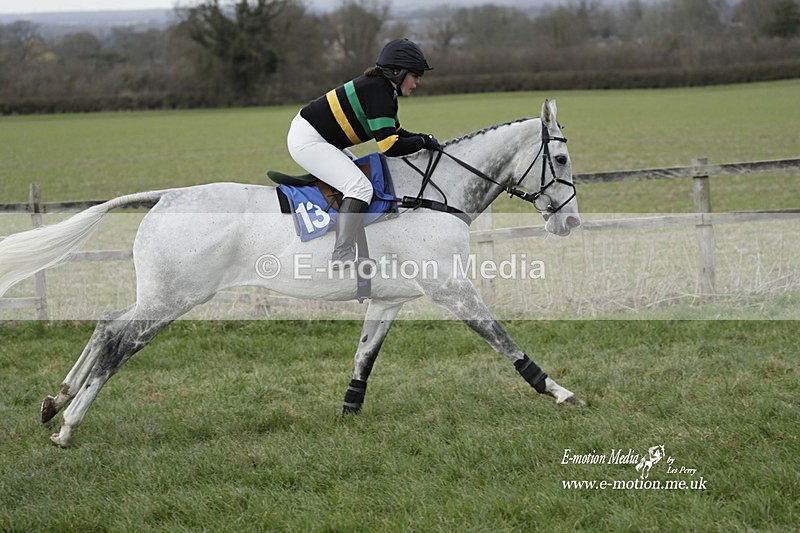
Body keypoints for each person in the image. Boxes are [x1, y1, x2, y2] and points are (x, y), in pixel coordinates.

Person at [287, 38, 440, 266]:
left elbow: (397, 132)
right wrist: (424, 141)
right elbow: (390, 146)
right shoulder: (379, 92)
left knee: (361, 183)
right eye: (415, 76)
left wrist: (426, 140)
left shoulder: (382, 90)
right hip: (308, 141)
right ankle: (341, 254)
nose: (417, 82)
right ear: (397, 72)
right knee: (359, 188)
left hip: (317, 137)